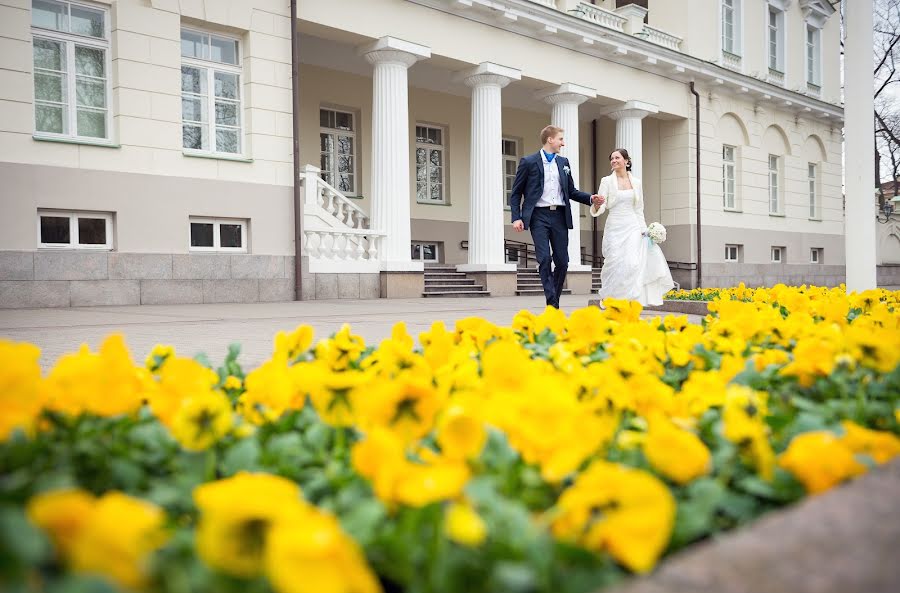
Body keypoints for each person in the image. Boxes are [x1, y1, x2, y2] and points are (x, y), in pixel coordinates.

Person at [509, 125, 603, 308]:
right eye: (560, 139)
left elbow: (572, 191)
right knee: (544, 259)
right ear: (550, 139)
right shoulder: (528, 162)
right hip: (538, 216)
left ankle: (554, 299)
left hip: (560, 216)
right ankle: (552, 304)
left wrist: (591, 198)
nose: (563, 143)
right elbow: (516, 193)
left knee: (563, 262)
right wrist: (516, 217)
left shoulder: (564, 162)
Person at [590, 148, 675, 306]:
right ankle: (608, 297)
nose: (613, 160)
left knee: (632, 263)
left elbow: (638, 208)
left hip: (633, 226)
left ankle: (629, 300)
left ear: (626, 161)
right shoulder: (606, 181)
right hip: (615, 226)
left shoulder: (636, 182)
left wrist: (644, 230)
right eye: (612, 158)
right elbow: (601, 206)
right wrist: (596, 206)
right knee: (614, 262)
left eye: (617, 158)